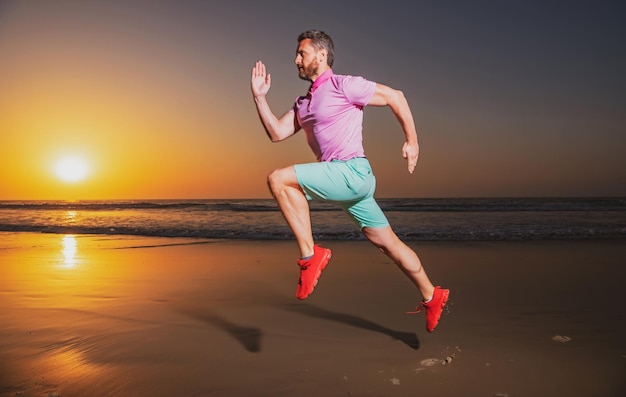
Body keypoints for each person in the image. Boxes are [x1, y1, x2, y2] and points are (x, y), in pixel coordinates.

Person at [250, 30, 449, 332]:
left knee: (279, 179)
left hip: (352, 172)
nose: (296, 60)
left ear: (320, 55)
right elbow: (276, 133)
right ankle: (431, 294)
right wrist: (259, 97)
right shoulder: (303, 103)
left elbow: (397, 97)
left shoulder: (345, 85)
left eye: (301, 53)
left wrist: (412, 140)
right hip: (348, 187)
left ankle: (310, 256)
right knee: (388, 245)